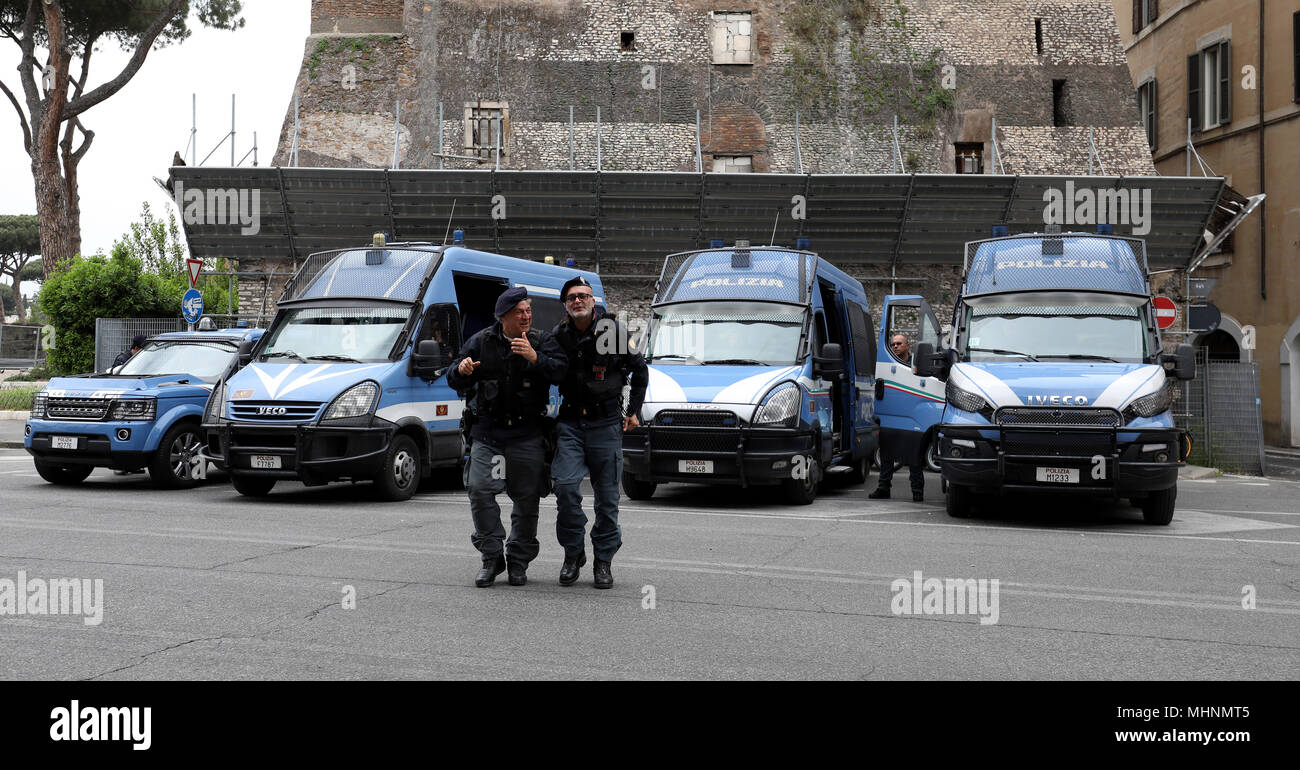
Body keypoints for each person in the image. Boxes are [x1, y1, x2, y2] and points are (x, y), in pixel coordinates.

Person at [447, 287, 567, 587]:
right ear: (503, 317)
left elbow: (562, 372)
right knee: (479, 490)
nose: (526, 316)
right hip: (489, 435)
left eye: (528, 311)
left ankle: (518, 561)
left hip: (527, 435)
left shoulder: (542, 341)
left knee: (526, 500)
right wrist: (461, 371)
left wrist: (536, 358)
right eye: (519, 312)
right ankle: (491, 557)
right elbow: (453, 377)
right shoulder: (481, 341)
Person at [550, 276, 648, 589]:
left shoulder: (614, 332)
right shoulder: (558, 336)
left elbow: (640, 370)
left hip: (605, 424)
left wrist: (634, 411)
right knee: (565, 488)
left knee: (607, 499)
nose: (578, 301)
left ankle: (603, 560)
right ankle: (573, 553)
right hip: (570, 424)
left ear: (593, 301)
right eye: (572, 297)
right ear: (565, 304)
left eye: (584, 296)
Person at [871, 334, 926, 502]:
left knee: (914, 455)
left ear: (907, 345)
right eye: (893, 344)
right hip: (892, 413)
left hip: (911, 416)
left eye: (899, 343)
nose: (895, 346)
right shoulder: (887, 365)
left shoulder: (916, 365)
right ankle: (883, 488)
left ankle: (917, 491)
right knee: (886, 453)